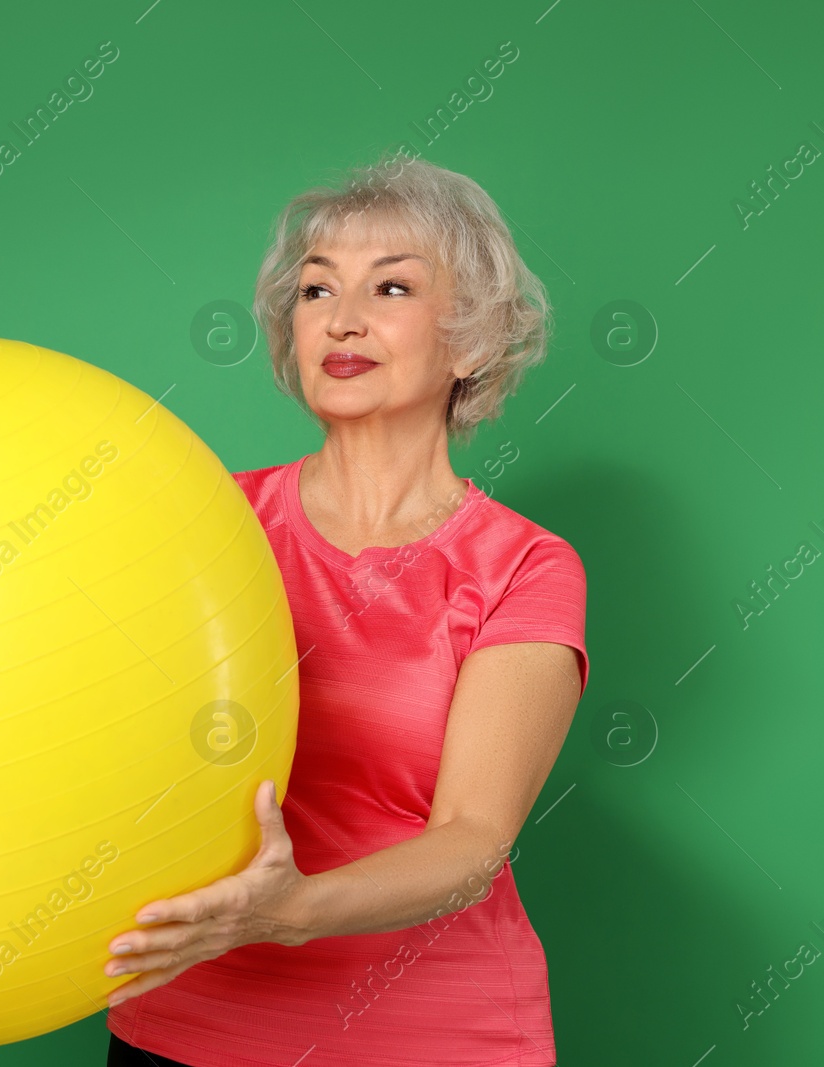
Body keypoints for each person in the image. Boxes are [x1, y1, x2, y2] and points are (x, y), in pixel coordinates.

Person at [100, 152, 588, 1066]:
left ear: (474, 340)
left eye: (391, 287)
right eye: (317, 290)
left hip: (434, 1035)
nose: (343, 319)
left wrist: (290, 911)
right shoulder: (208, 520)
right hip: (182, 1026)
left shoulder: (524, 564)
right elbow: (23, 607)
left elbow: (473, 839)